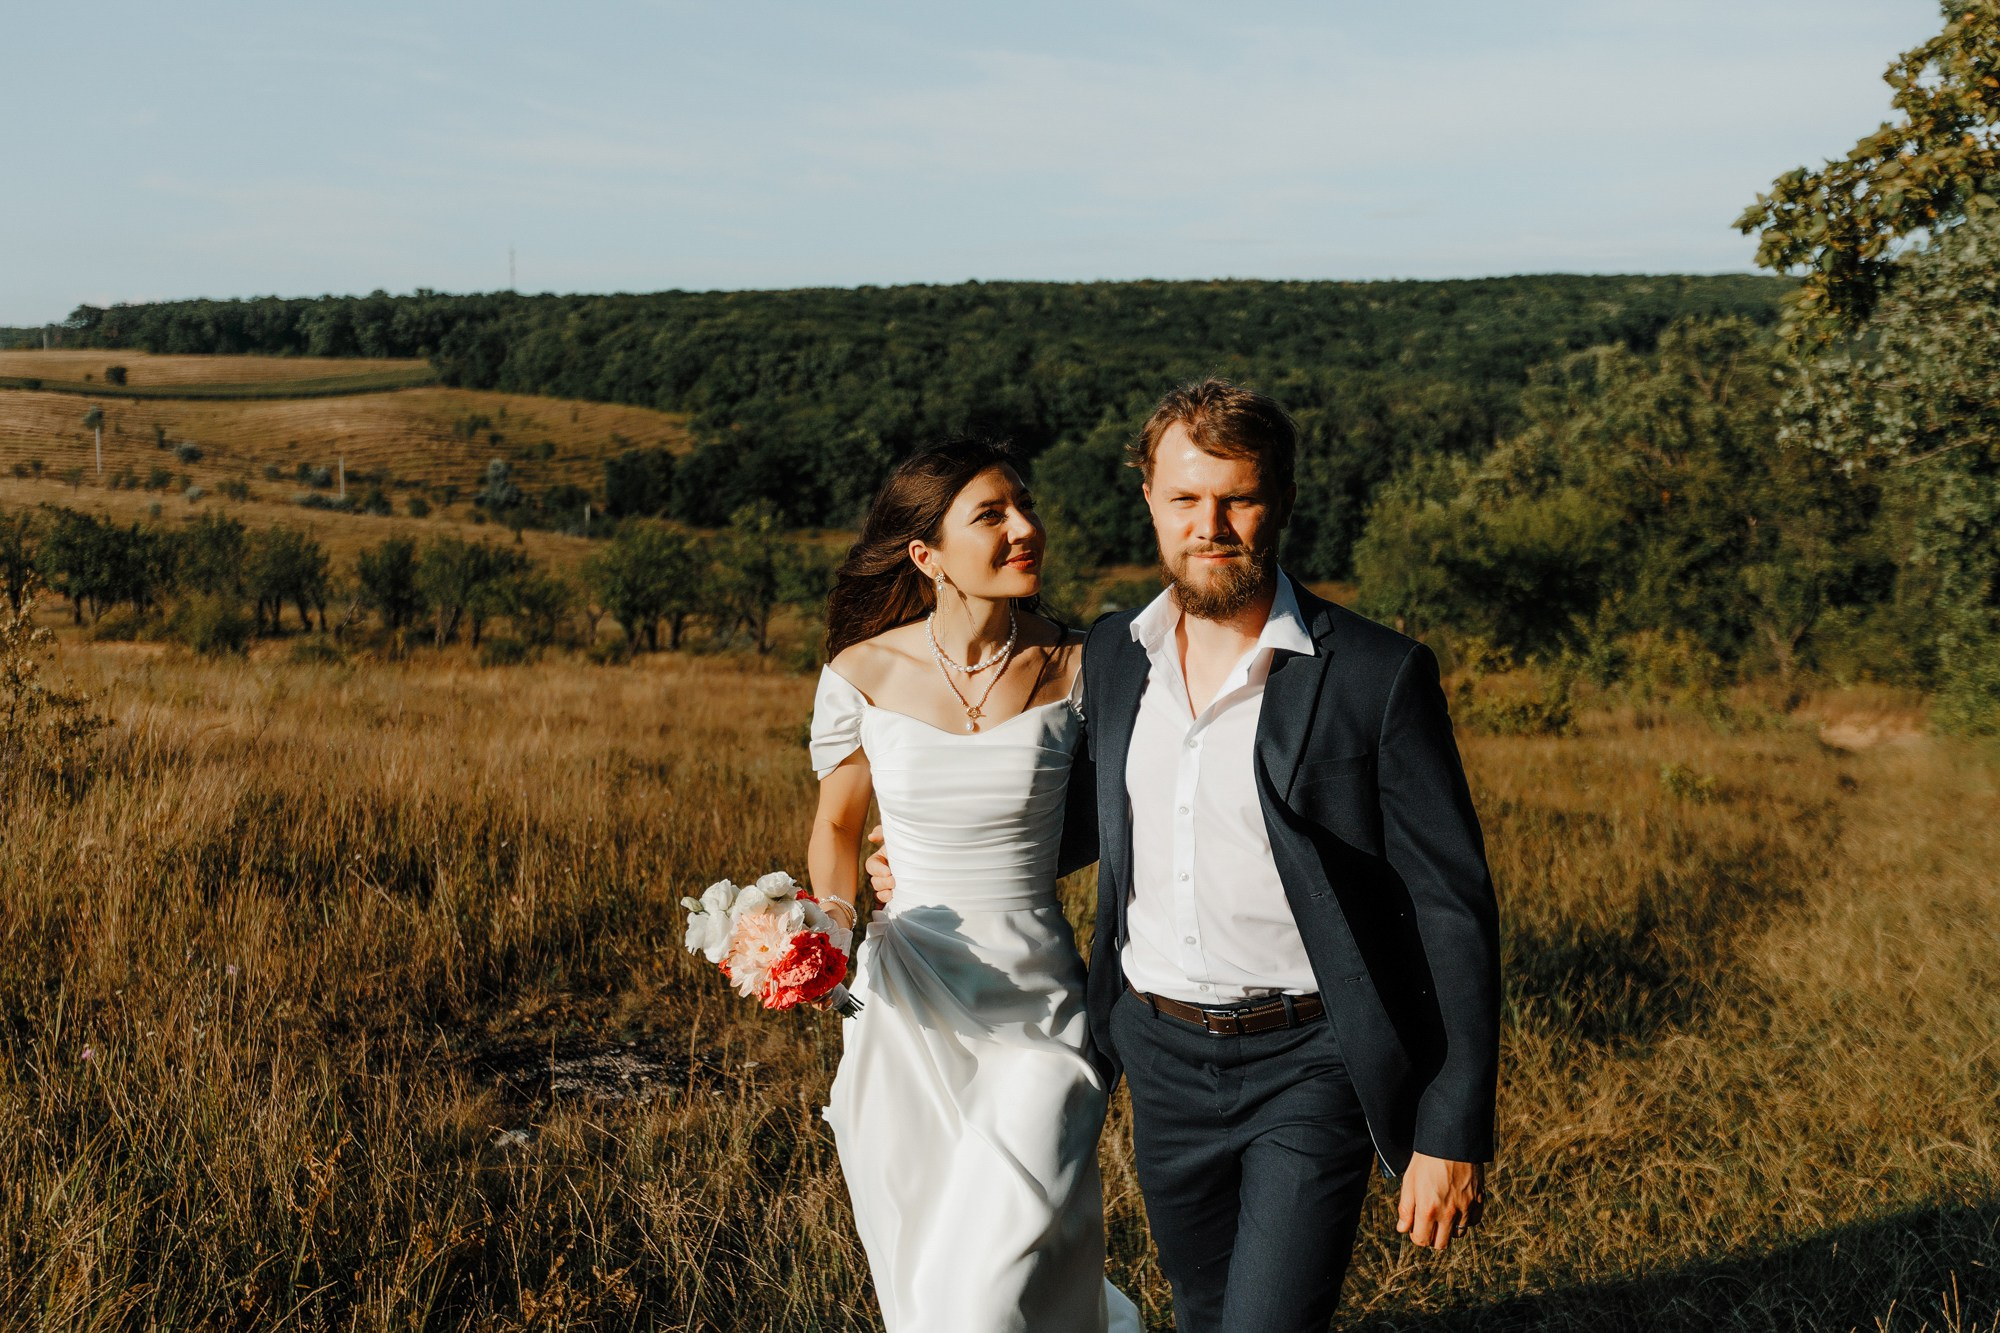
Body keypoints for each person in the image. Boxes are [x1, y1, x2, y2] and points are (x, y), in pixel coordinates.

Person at [870, 380, 1501, 1333]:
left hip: (1311, 1058)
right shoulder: (1117, 655)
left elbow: (1453, 908)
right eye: (1186, 499)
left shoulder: (1376, 674)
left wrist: (1452, 1128)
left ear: (1279, 501)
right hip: (1158, 1053)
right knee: (1202, 1310)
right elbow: (1072, 821)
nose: (1212, 526)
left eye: (1238, 497)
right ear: (1151, 500)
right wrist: (925, 868)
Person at [804, 439, 1142, 1333]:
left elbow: (1121, 816)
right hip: (908, 1001)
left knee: (986, 1290)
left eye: (1024, 506)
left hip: (1041, 1007)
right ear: (926, 555)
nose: (1025, 528)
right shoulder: (861, 673)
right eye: (990, 515)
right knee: (925, 1266)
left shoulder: (1083, 665)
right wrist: (829, 930)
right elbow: (839, 826)